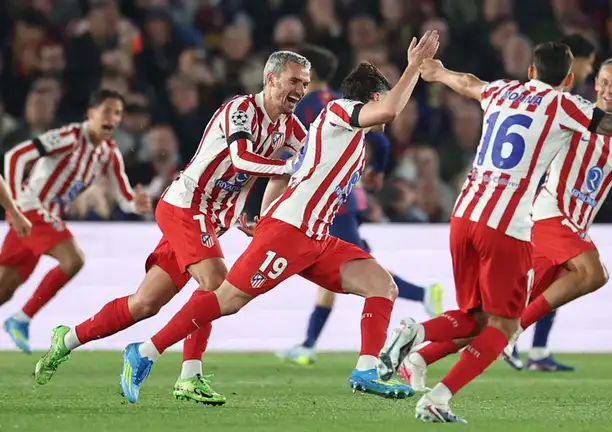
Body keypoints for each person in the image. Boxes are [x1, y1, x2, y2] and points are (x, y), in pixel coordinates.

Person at [378, 43, 612, 423]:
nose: (608, 89)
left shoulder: (504, 90)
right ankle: (448, 369)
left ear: (531, 71)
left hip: (467, 213)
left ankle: (421, 351)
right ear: (574, 80)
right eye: (603, 82)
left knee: (481, 319)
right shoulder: (570, 110)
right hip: (526, 220)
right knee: (561, 292)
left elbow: (469, 82)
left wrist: (436, 71)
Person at [117, 30, 441, 405]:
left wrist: (264, 214)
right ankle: (145, 352)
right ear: (373, 98)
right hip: (290, 232)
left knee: (382, 285)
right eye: (384, 97)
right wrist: (413, 68)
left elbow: (286, 174)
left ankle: (367, 370)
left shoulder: (353, 141)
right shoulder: (339, 112)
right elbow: (389, 111)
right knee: (227, 299)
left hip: (316, 239)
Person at [33, 51, 311, 407]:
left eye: (305, 83)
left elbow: (311, 161)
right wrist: (288, 167)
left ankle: (67, 339)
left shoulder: (290, 128)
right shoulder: (241, 110)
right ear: (270, 79)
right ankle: (186, 374)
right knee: (217, 285)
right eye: (294, 80)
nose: (300, 89)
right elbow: (241, 158)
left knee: (145, 304)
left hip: (212, 219)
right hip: (187, 205)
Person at [399, 57, 612, 391]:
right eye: (603, 81)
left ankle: (420, 358)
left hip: (571, 231)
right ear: (595, 85)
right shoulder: (577, 117)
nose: (609, 89)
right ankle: (513, 333)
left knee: (489, 320)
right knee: (593, 274)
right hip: (547, 221)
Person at [276, 44, 443, 367]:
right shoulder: (342, 102)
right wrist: (377, 170)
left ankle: (422, 294)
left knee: (354, 269)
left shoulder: (311, 106)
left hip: (327, 202)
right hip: (347, 198)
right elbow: (379, 138)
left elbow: (292, 147)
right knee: (338, 270)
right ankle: (309, 344)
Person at [1, 89, 151, 353]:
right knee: (74, 259)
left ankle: (20, 318)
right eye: (106, 110)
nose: (112, 118)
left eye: (117, 113)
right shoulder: (69, 137)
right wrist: (15, 208)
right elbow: (15, 156)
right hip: (31, 210)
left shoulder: (108, 153)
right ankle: (22, 317)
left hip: (44, 218)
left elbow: (124, 195)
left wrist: (135, 204)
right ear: (91, 113)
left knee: (5, 288)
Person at [505, 32, 597, 372]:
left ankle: (536, 348)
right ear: (576, 63)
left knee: (558, 276)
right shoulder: (563, 103)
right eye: (589, 63)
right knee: (543, 277)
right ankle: (505, 334)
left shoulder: (554, 99)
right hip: (543, 200)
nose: (590, 70)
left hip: (552, 200)